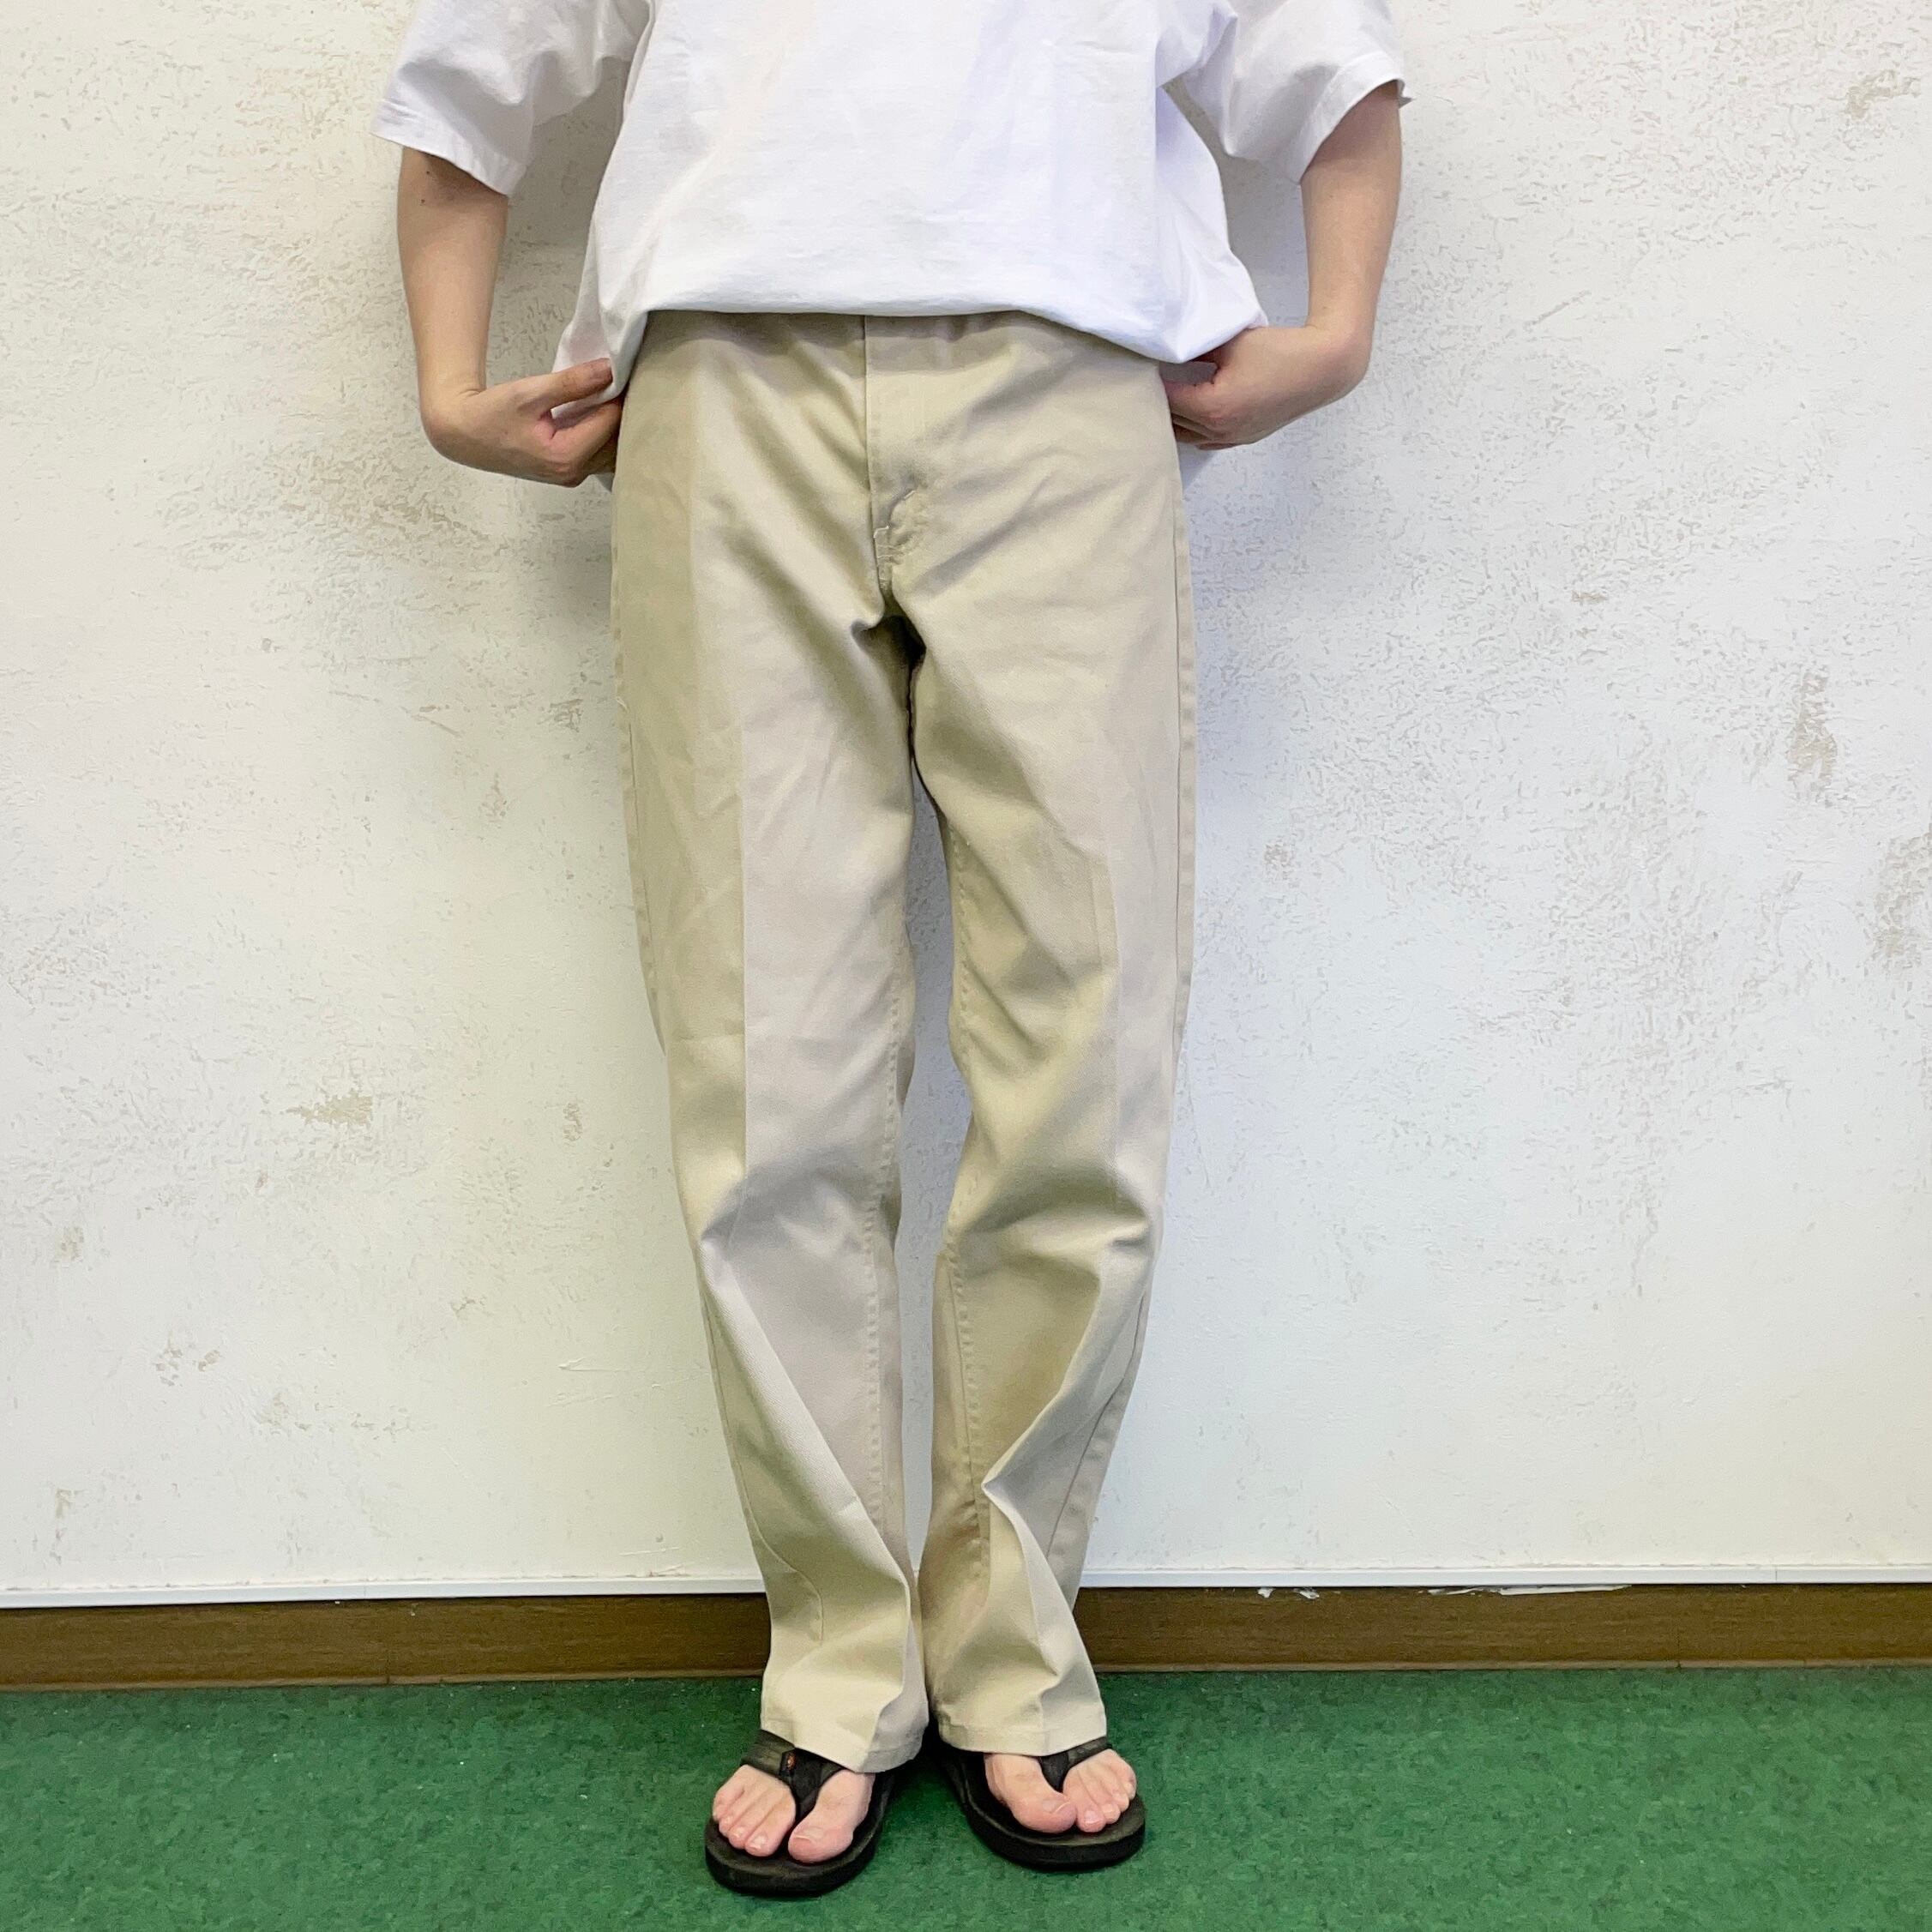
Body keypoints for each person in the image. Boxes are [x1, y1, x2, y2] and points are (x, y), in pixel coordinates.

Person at [372, 0, 1405, 1898]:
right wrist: (446, 380)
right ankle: (840, 1662)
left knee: (1081, 1048)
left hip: (1063, 371)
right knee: (761, 1070)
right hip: (724, 378)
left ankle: (1010, 1646)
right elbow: (471, 72)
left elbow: (1325, 61)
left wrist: (1335, 325)